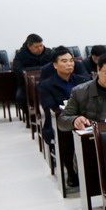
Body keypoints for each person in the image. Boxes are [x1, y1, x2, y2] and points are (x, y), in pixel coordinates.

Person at [38, 46, 89, 187]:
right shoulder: (46, 85)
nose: (69, 64)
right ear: (55, 65)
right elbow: (49, 108)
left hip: (83, 118)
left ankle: (92, 172)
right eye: (64, 61)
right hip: (59, 121)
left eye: (71, 61)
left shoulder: (83, 80)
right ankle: (72, 172)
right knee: (66, 135)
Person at [57, 53, 106, 132]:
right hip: (92, 136)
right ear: (98, 69)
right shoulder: (80, 91)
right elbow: (62, 121)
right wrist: (74, 120)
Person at [13, 33, 54, 114]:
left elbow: (56, 65)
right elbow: (18, 70)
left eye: (41, 45)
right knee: (20, 98)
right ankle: (31, 116)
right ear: (29, 46)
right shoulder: (21, 55)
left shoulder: (49, 52)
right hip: (26, 85)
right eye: (36, 47)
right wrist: (41, 69)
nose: (40, 48)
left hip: (49, 82)